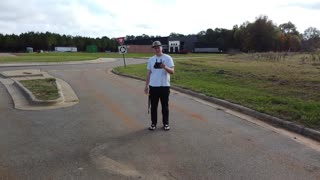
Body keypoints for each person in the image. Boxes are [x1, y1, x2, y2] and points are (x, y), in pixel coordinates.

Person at [144, 41, 174, 131]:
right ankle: (153, 124)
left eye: (158, 47)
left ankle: (166, 124)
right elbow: (148, 73)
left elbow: (172, 72)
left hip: (164, 86)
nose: (157, 49)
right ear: (153, 49)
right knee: (153, 107)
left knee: (165, 106)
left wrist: (165, 67)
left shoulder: (168, 58)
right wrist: (146, 86)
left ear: (162, 47)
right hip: (153, 87)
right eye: (155, 48)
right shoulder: (151, 59)